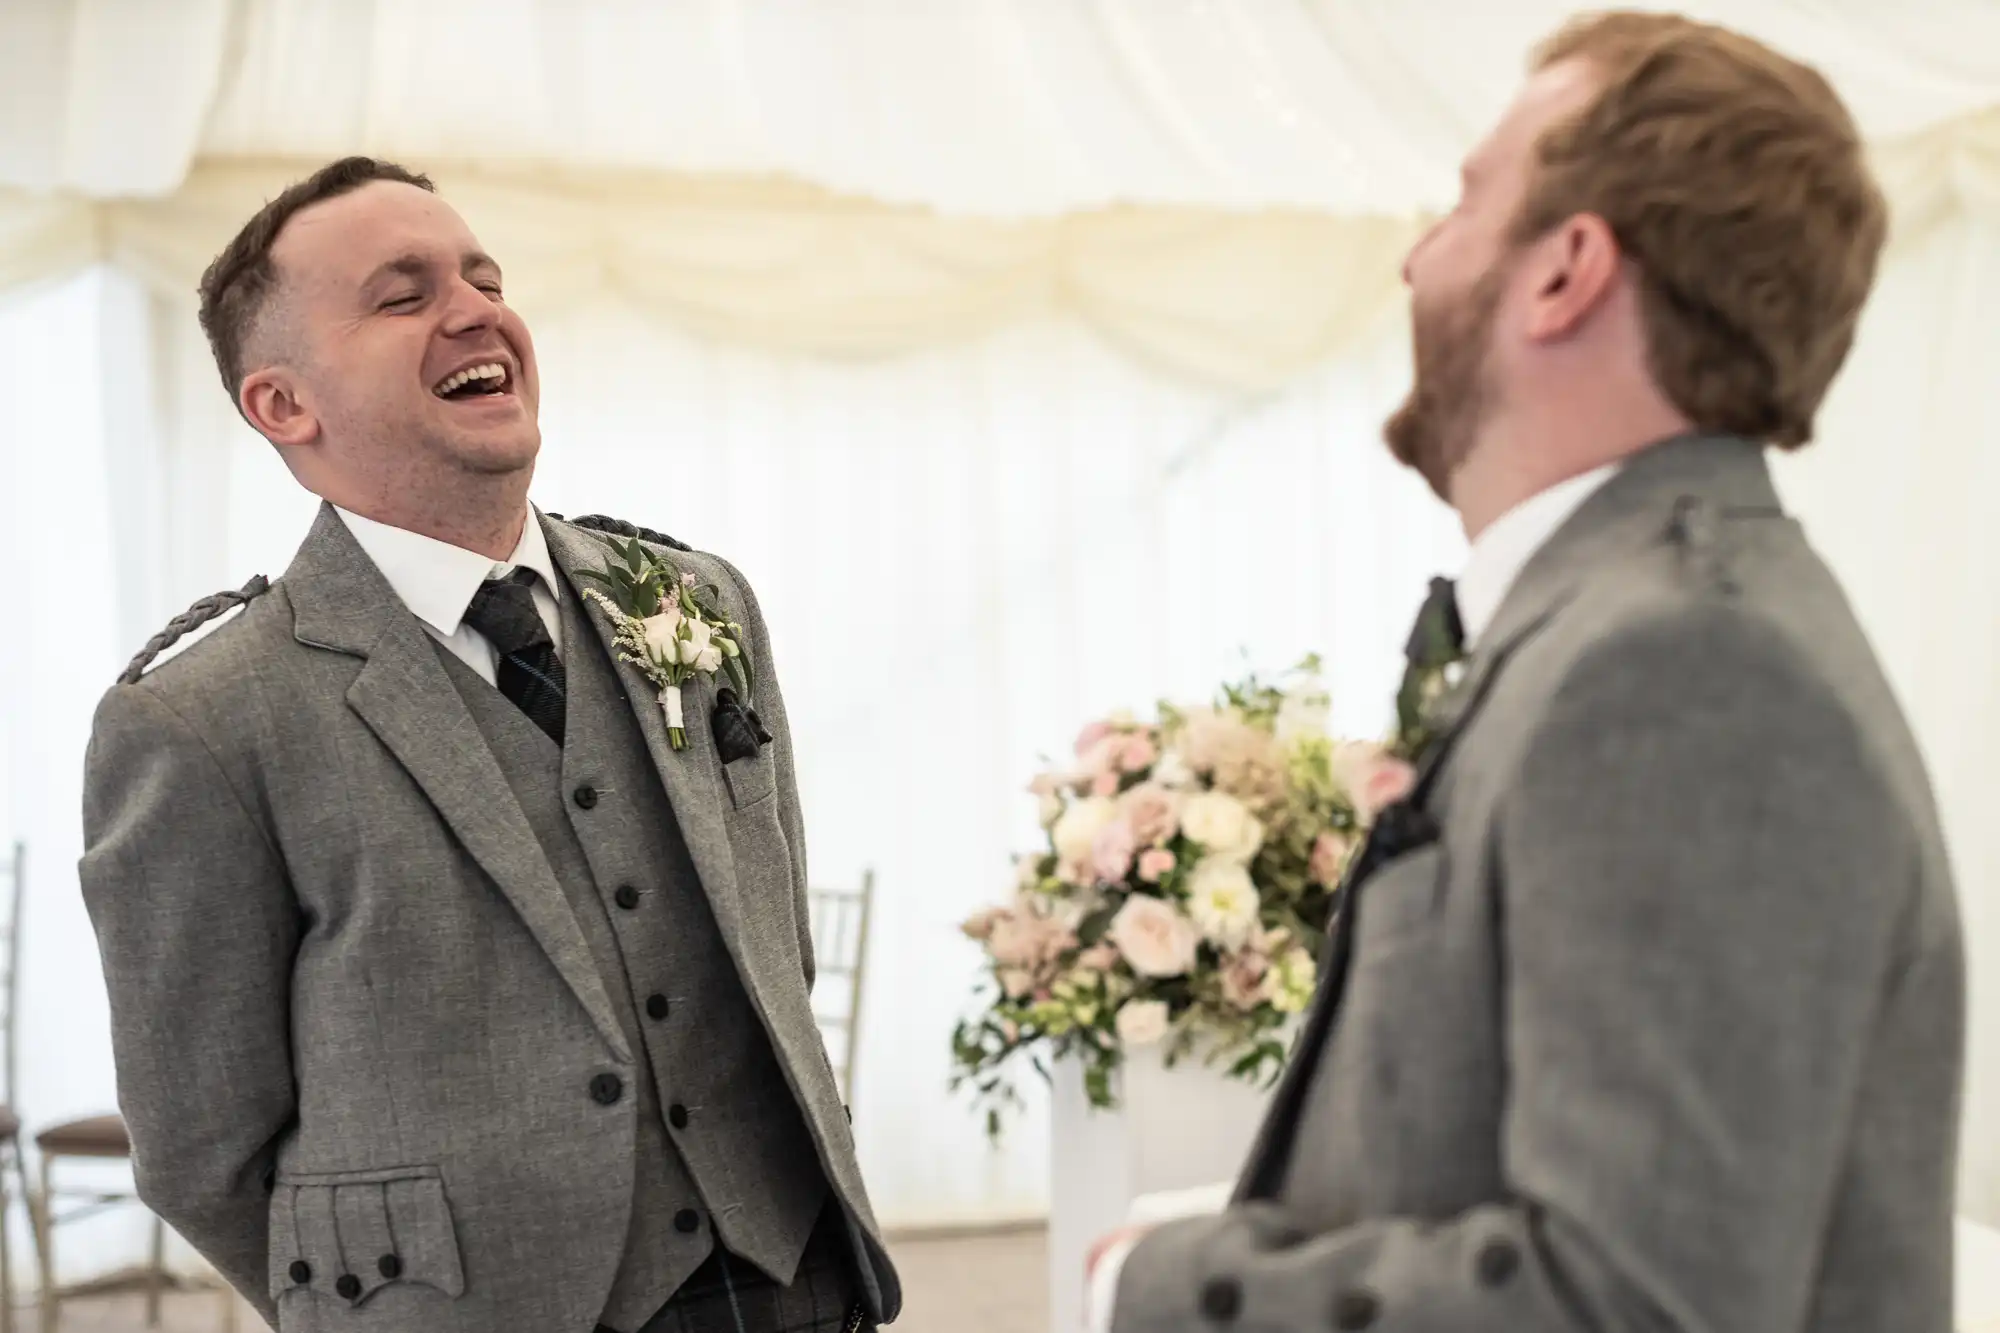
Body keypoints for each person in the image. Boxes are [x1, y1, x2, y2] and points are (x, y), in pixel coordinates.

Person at [1090, 11, 1963, 1332]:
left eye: (1463, 202)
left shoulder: (1690, 669)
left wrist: (1154, 1292)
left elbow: (1629, 1304)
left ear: (1566, 270)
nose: (1413, 256)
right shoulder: (1622, 625)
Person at [78, 157, 897, 1333]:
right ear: (281, 404)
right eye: (401, 295)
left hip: (790, 1276)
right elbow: (200, 1140)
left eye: (482, 275)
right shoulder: (197, 721)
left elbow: (776, 948)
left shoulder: (699, 604)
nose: (475, 310)